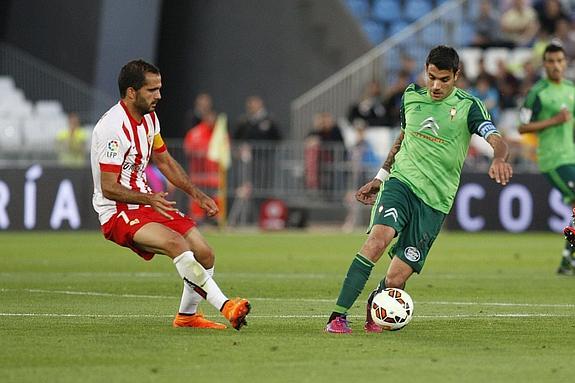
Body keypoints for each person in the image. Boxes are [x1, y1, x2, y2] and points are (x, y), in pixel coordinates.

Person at [325, 45, 513, 333]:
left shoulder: (468, 107)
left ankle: (376, 304)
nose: (436, 86)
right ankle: (337, 316)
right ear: (425, 72)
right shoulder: (411, 97)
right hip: (401, 183)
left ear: (457, 76)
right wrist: (381, 175)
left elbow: (496, 139)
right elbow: (404, 136)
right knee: (377, 240)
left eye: (444, 79)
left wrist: (499, 158)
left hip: (435, 201)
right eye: (431, 77)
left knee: (396, 279)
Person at [90, 59, 251, 330]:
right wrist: (148, 198)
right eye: (152, 90)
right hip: (117, 211)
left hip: (146, 201)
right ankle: (226, 306)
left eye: (159, 89)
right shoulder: (112, 129)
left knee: (205, 252)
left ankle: (187, 316)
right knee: (177, 244)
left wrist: (197, 194)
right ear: (131, 92)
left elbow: (164, 161)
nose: (159, 96)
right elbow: (108, 187)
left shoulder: (150, 118)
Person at [518, 43, 575, 275]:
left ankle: (566, 261)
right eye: (551, 61)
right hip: (552, 159)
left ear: (565, 62)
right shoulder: (537, 93)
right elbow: (522, 127)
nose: (556, 66)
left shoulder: (571, 88)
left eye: (559, 61)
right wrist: (553, 120)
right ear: (544, 64)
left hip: (570, 156)